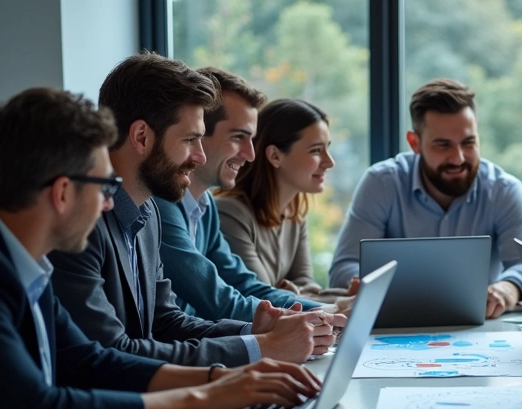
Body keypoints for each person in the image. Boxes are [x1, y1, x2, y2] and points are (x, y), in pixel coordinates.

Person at [0, 87, 322, 409]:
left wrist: (226, 378)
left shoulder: (19, 255)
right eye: (104, 185)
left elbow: (88, 359)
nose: (110, 202)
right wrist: (206, 395)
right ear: (62, 193)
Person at [49, 53, 343, 368]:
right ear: (141, 137)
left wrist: (256, 331)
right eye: (190, 140)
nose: (200, 156)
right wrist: (259, 348)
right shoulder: (81, 224)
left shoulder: (147, 215)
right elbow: (111, 353)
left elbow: (164, 322)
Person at [328, 79, 522, 319]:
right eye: (443, 145)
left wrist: (508, 288)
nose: (458, 158)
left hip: (483, 326)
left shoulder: (504, 190)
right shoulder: (381, 184)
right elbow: (345, 266)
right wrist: (382, 288)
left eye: (469, 143)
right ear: (415, 143)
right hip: (395, 325)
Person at [152, 67, 324, 323]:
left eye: (252, 139)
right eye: (238, 137)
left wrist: (326, 311)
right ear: (199, 134)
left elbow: (247, 286)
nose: (251, 154)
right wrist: (308, 317)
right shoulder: (161, 204)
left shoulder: (204, 206)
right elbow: (217, 300)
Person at [215, 98, 333, 298]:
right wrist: (339, 300)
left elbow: (307, 285)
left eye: (327, 148)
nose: (329, 162)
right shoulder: (230, 213)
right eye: (316, 151)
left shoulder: (295, 216)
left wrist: (343, 297)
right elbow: (263, 297)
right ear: (275, 156)